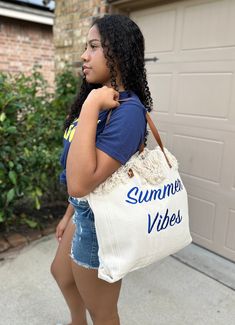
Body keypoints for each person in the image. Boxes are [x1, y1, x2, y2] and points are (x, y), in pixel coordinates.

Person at [51, 14, 153, 325]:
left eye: (94, 46)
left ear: (119, 53)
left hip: (100, 223)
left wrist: (91, 105)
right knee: (61, 273)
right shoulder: (98, 99)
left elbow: (81, 183)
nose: (84, 55)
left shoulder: (128, 110)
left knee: (104, 313)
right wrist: (68, 214)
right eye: (86, 46)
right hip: (82, 211)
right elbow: (77, 177)